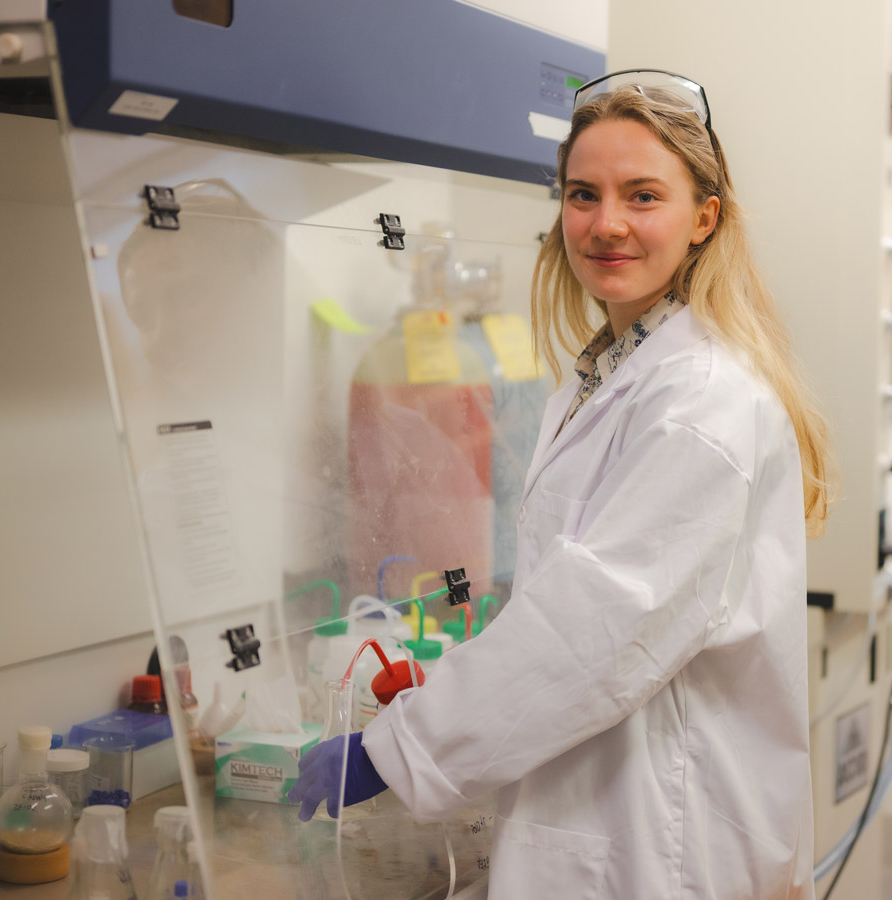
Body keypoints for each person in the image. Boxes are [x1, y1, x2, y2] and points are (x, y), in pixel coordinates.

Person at [290, 69, 832, 899]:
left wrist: (397, 751)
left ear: (704, 218)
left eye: (643, 196)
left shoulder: (701, 402)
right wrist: (454, 692)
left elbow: (595, 626)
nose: (606, 223)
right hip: (620, 815)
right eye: (584, 195)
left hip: (662, 842)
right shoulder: (619, 373)